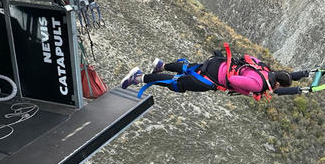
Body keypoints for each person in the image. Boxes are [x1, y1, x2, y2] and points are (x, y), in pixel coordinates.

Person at [121, 53, 309, 99]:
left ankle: (161, 65)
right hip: (211, 80)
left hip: (218, 64)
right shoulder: (259, 85)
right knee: (176, 84)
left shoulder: (265, 70)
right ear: (278, 85)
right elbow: (234, 81)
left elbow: (249, 57)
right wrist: (248, 91)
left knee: (188, 67)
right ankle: (139, 77)